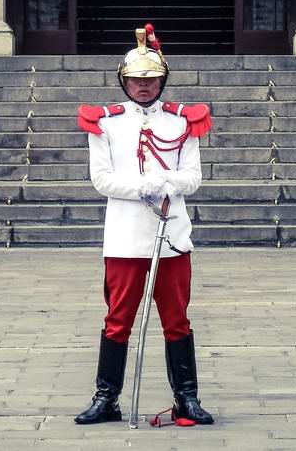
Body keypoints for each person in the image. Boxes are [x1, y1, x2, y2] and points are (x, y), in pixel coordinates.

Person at [74, 25, 215, 427]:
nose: (143, 86)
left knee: (176, 319)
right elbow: (101, 180)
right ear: (124, 81)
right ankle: (107, 398)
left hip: (170, 234)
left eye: (150, 79)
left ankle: (186, 399)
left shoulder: (183, 121)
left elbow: (193, 177)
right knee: (118, 319)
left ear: (162, 81)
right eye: (135, 79)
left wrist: (167, 181)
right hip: (125, 237)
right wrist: (142, 187)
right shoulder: (105, 122)